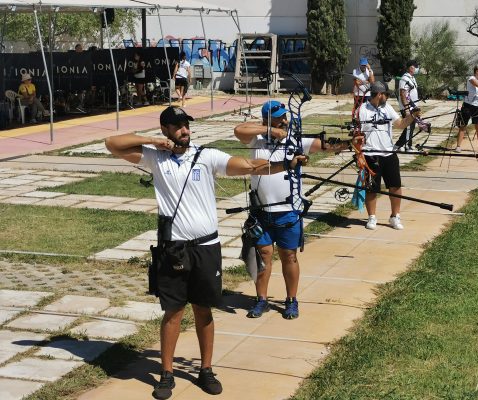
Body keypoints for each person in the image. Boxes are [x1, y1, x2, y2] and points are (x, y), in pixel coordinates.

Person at [104, 106, 307, 400]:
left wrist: (285, 165)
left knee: (203, 310)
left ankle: (206, 369)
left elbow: (249, 166)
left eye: (186, 124)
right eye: (176, 126)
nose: (184, 130)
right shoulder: (156, 159)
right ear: (165, 130)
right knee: (173, 312)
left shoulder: (206, 156)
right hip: (173, 249)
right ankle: (166, 373)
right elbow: (112, 144)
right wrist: (154, 142)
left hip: (206, 247)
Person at [234, 100, 350, 320]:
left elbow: (323, 145)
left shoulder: (294, 140)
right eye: (278, 117)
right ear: (267, 119)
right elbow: (239, 130)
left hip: (288, 212)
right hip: (261, 211)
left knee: (289, 256)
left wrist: (349, 143)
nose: (284, 120)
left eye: (284, 116)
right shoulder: (256, 140)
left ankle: (291, 300)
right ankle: (261, 300)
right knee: (264, 256)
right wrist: (271, 131)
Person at [358, 81, 420, 231]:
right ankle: (372, 217)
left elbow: (399, 124)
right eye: (386, 94)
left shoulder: (387, 107)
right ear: (379, 95)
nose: (387, 97)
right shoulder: (363, 109)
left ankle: (395, 216)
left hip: (389, 153)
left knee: (395, 186)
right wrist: (359, 154)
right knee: (372, 188)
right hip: (371, 154)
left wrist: (412, 116)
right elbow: (358, 133)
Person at [395, 59, 420, 151]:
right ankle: (406, 146)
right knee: (409, 126)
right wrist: (406, 108)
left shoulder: (412, 78)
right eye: (416, 66)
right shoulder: (405, 78)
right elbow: (403, 93)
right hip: (407, 107)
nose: (417, 68)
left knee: (411, 126)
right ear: (410, 68)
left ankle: (399, 145)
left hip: (413, 106)